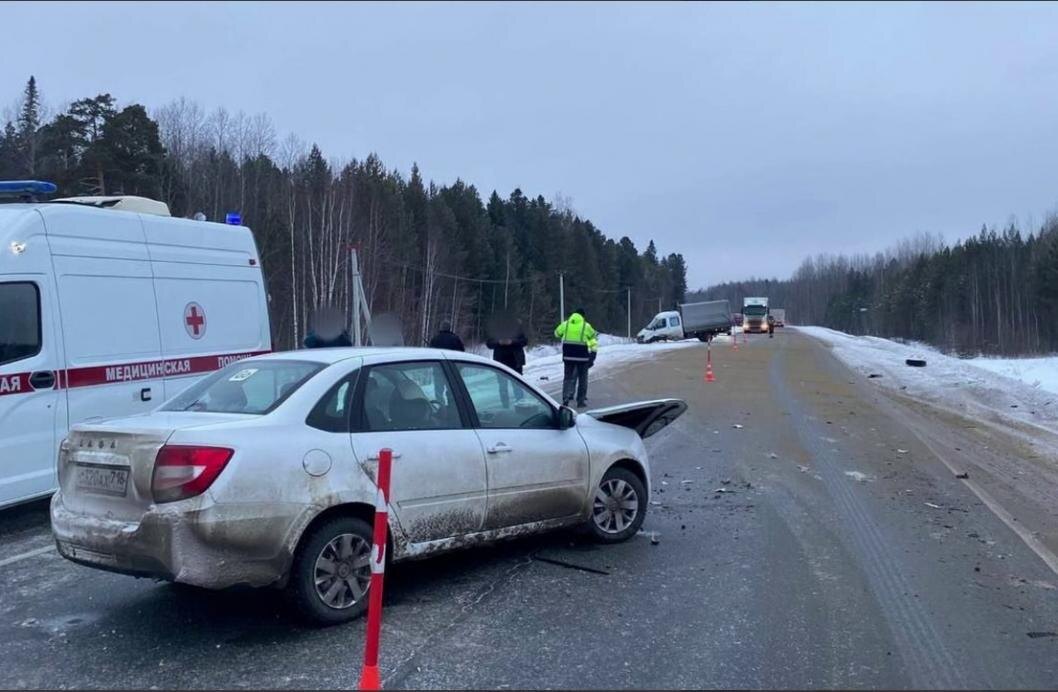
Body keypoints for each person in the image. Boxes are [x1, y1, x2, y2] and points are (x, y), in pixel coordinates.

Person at [554, 307, 597, 408]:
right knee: (583, 379)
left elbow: (556, 333)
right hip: (582, 358)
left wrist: (565, 336)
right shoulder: (586, 326)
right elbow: (593, 339)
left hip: (568, 357)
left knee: (567, 378)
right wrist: (593, 354)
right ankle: (580, 401)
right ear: (583, 316)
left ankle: (565, 399)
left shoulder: (566, 324)